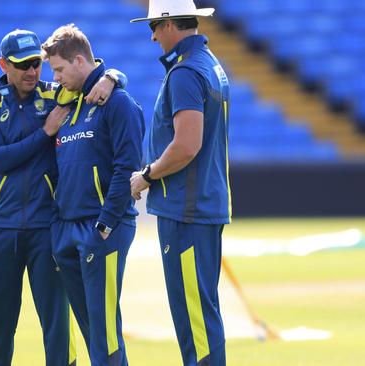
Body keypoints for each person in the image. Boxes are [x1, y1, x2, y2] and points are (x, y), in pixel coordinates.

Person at [0, 29, 126, 366]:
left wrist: (114, 77)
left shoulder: (59, 94)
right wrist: (46, 132)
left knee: (57, 326)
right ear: (3, 65)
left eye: (36, 64)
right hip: (1, 228)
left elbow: (92, 74)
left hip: (47, 228)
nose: (32, 71)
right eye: (22, 64)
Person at [129, 1, 231, 365]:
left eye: (155, 27)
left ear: (170, 24)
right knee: (202, 313)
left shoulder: (185, 73)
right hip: (203, 205)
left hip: (187, 211)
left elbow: (187, 145)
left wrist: (145, 176)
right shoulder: (210, 65)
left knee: (195, 321)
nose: (154, 36)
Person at [41, 24, 144, 366]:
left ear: (80, 60)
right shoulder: (67, 102)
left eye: (58, 69)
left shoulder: (117, 103)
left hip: (102, 227)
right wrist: (59, 227)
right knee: (90, 329)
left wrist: (106, 224)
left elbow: (126, 166)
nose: (55, 78)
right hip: (66, 228)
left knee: (104, 330)